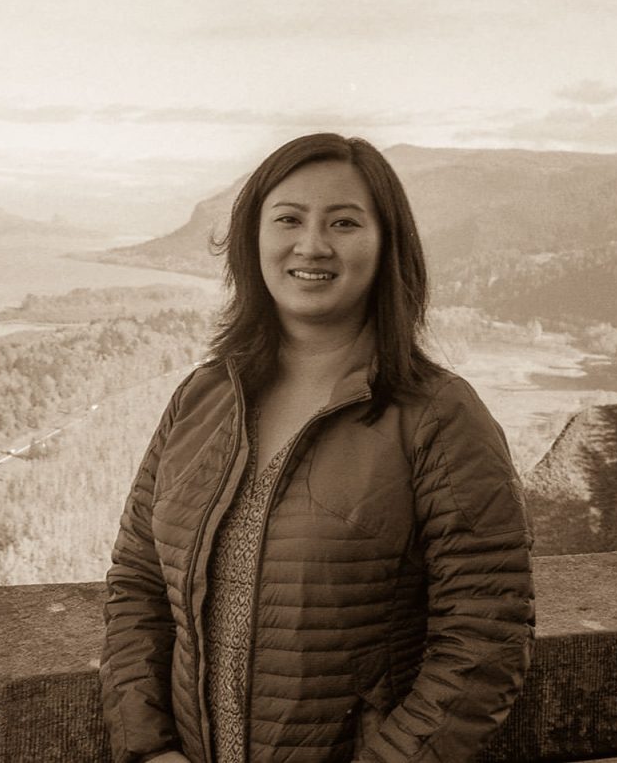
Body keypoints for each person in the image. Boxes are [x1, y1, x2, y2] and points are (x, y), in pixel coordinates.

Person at [100, 133, 535, 763]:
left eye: (344, 222)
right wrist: (148, 749)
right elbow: (137, 586)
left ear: (387, 246)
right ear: (254, 240)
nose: (312, 245)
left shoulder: (440, 416)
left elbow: (485, 635)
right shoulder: (201, 398)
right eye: (288, 219)